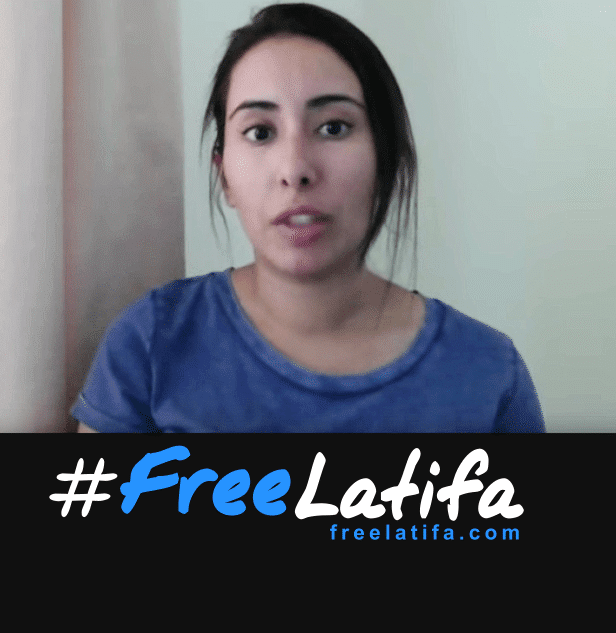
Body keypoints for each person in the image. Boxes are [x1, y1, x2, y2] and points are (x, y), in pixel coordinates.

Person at [73, 3, 545, 433]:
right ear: (224, 177)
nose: (295, 168)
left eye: (334, 128)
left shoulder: (488, 375)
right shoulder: (150, 345)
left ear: (386, 160)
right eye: (260, 132)